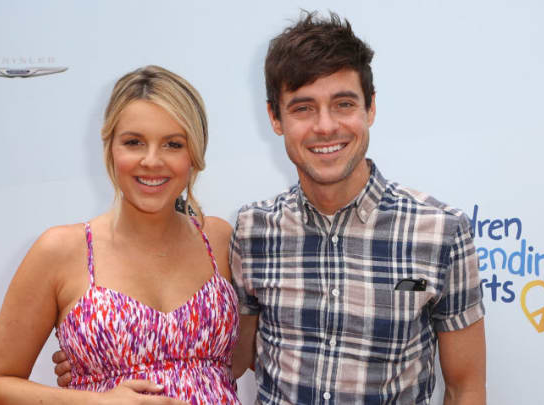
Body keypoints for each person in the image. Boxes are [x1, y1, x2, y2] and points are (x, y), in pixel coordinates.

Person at [55, 11, 486, 405]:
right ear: (275, 118)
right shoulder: (252, 230)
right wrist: (102, 360)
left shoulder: (440, 231)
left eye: (344, 103)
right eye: (303, 108)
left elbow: (466, 388)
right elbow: (225, 357)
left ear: (371, 107)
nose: (325, 126)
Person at [0, 65, 241, 405]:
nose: (151, 160)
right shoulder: (60, 251)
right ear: (110, 148)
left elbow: (243, 356)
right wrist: (98, 400)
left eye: (172, 144)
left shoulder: (218, 240)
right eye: (134, 142)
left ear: (194, 154)